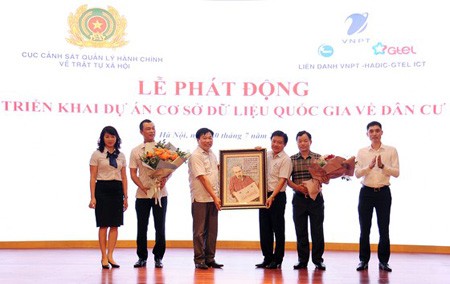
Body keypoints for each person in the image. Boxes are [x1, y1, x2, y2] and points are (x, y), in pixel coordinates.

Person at [355, 121, 399, 272]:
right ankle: (363, 260)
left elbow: (397, 173)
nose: (374, 133)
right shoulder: (361, 152)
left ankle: (384, 261)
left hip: (383, 192)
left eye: (377, 131)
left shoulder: (391, 150)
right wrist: (369, 167)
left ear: (382, 132)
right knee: (364, 228)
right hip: (366, 192)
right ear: (367, 134)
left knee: (384, 228)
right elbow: (357, 173)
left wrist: (382, 167)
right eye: (371, 131)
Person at [129, 119, 169, 268]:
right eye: (148, 129)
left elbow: (169, 168)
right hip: (143, 194)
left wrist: (165, 178)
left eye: (153, 128)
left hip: (160, 194)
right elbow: (133, 173)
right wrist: (142, 187)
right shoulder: (136, 150)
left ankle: (158, 257)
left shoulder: (163, 148)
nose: (151, 131)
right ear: (141, 132)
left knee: (160, 226)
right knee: (142, 226)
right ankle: (142, 257)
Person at [89, 126, 128, 269]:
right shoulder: (97, 154)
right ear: (102, 139)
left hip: (117, 190)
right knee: (103, 224)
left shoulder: (121, 155)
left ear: (116, 138)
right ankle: (103, 256)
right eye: (107, 137)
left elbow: (124, 177)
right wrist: (92, 197)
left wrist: (126, 197)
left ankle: (111, 255)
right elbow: (93, 177)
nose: (110, 139)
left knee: (115, 225)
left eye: (112, 136)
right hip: (102, 189)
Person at [287, 130, 326, 271]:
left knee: (317, 230)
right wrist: (297, 187)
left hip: (316, 199)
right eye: (300, 141)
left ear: (310, 141)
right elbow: (286, 180)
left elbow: (325, 178)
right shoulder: (291, 159)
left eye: (305, 140)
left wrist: (321, 181)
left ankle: (318, 260)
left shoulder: (319, 158)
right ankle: (302, 260)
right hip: (299, 199)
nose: (303, 143)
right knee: (300, 230)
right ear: (296, 142)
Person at [255, 130, 292, 269]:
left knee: (278, 228)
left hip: (277, 196)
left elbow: (282, 180)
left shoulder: (285, 159)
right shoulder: (266, 154)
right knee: (264, 228)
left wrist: (272, 196)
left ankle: (277, 259)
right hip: (263, 196)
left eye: (279, 142)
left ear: (285, 144)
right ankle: (267, 257)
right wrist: (255, 153)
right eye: (274, 141)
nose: (276, 144)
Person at [188, 127, 223, 270]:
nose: (208, 141)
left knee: (212, 230)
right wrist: (215, 196)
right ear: (198, 140)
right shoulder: (195, 155)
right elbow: (202, 178)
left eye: (210, 138)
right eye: (205, 138)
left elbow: (216, 172)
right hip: (201, 198)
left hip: (214, 197)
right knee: (200, 231)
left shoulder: (212, 154)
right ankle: (199, 259)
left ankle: (210, 258)